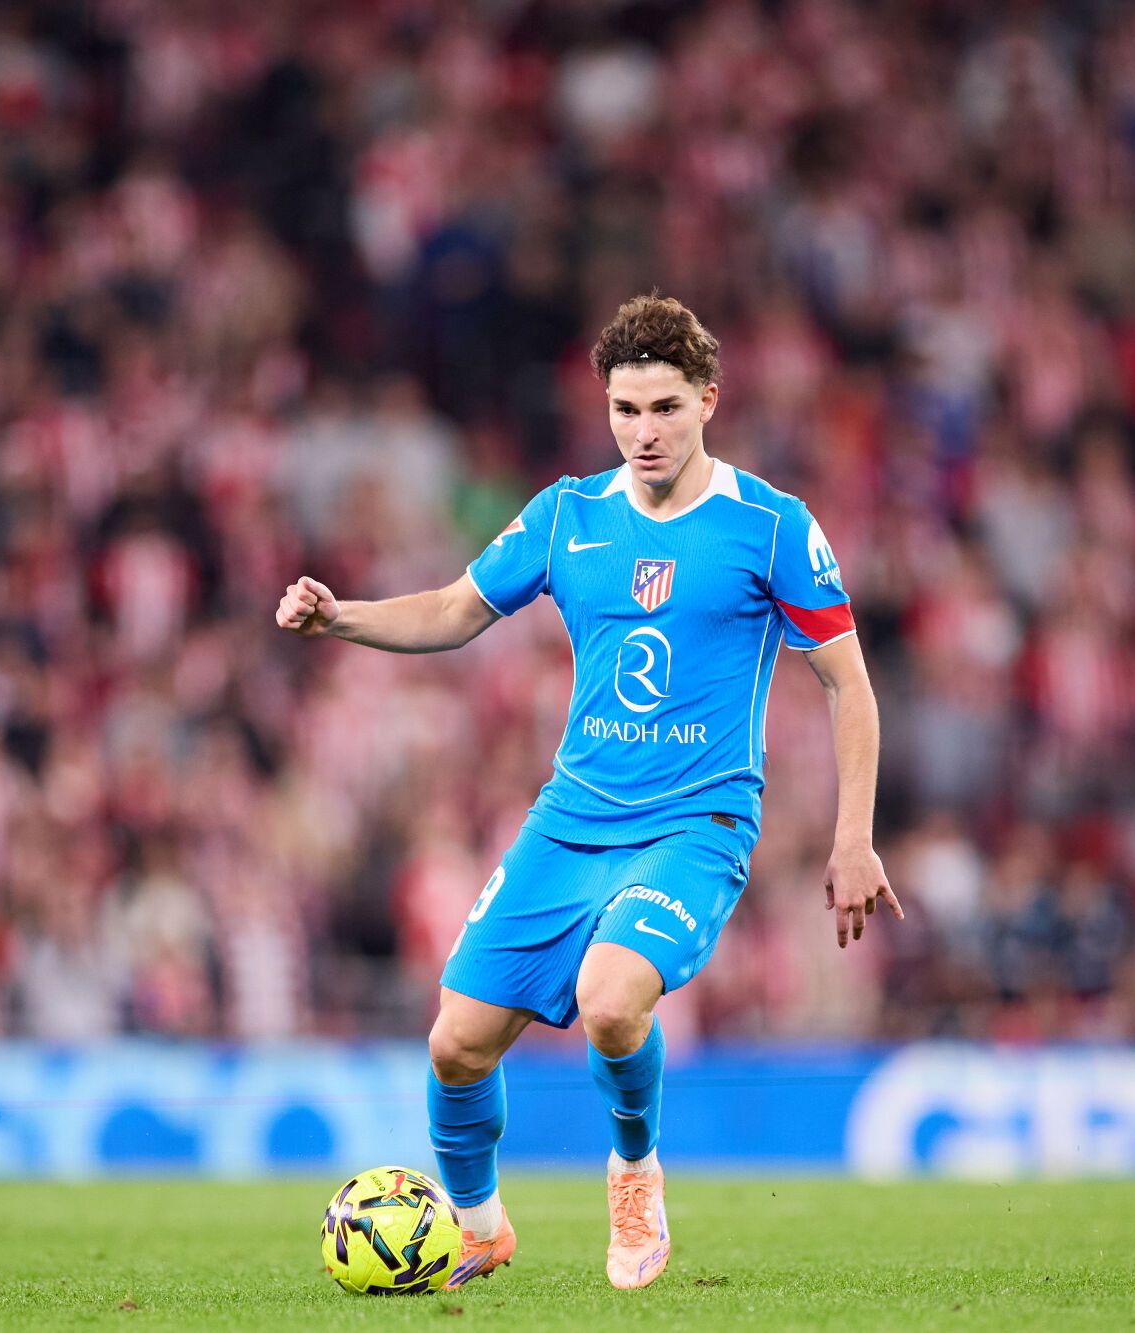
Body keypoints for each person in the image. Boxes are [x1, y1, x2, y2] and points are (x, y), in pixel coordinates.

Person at [276, 294, 900, 1290]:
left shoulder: (770, 527)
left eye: (662, 408)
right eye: (624, 410)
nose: (643, 432)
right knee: (455, 1045)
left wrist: (853, 838)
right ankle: (478, 1226)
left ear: (706, 399)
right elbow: (450, 610)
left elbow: (847, 683)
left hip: (695, 824)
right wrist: (338, 618)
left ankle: (634, 1169)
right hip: (570, 821)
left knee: (610, 1000)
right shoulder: (568, 514)